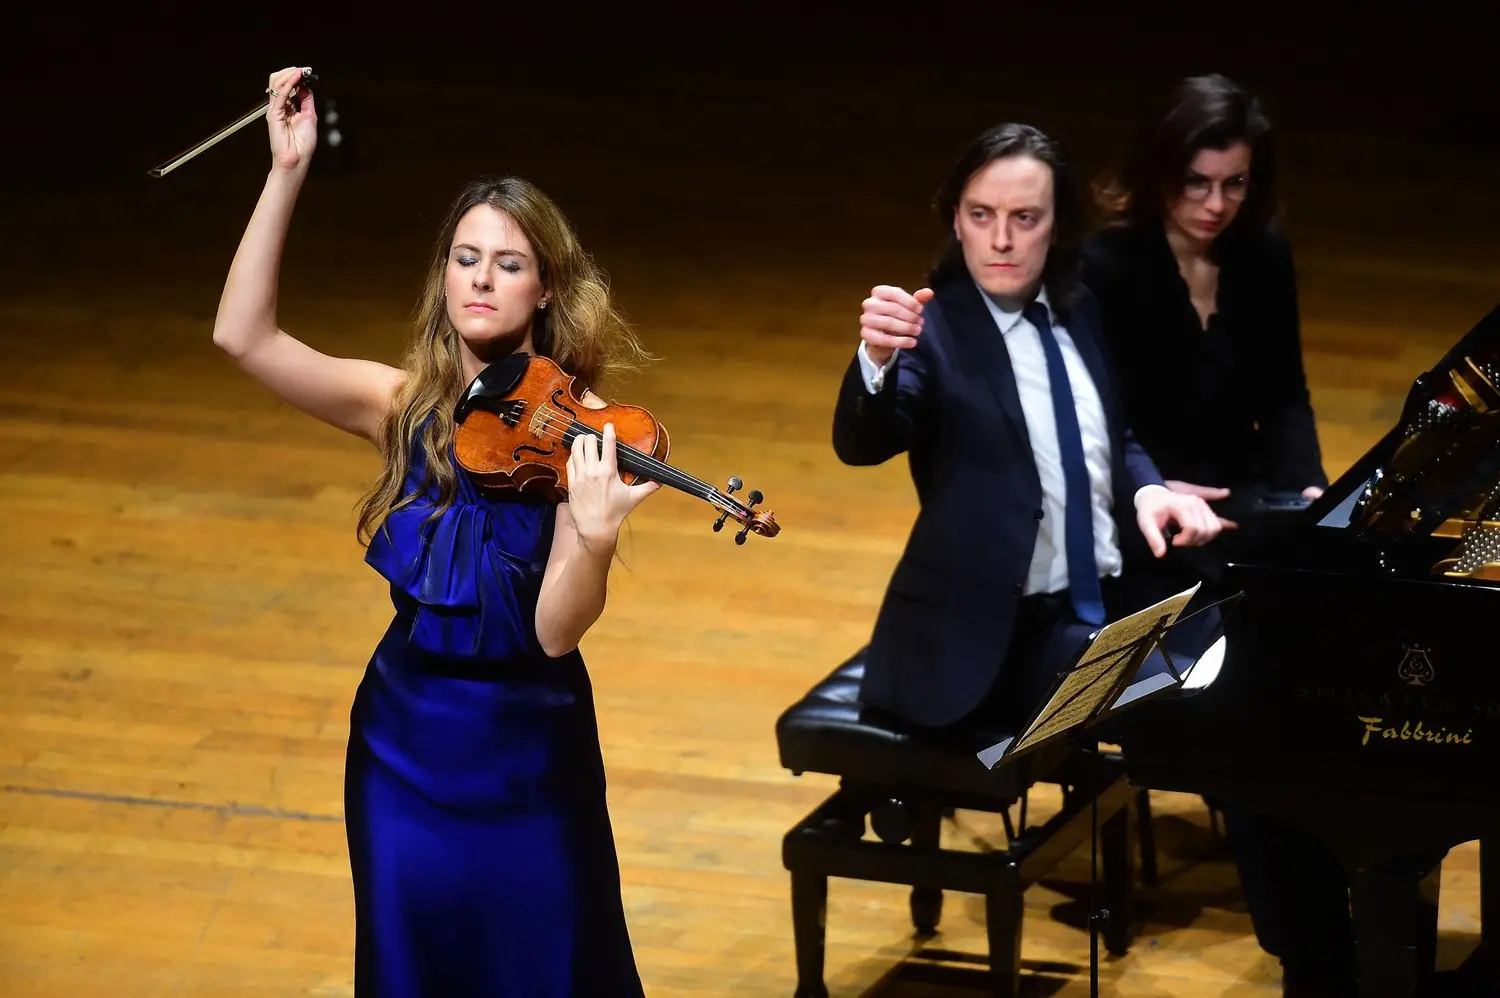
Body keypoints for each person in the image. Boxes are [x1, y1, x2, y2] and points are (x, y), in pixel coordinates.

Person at [211, 66, 657, 997]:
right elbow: (243, 337)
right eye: (465, 257)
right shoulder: (400, 405)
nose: (482, 279)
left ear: (543, 290)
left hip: (529, 757)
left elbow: (554, 632)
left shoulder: (588, 430)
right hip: (401, 747)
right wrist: (285, 171)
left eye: (509, 263)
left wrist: (597, 536)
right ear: (443, 274)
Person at [1081, 73, 1347, 997]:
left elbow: (1288, 394)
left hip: (1246, 517)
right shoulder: (1109, 267)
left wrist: (1308, 488)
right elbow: (1101, 427)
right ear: (1161, 172)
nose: (1215, 204)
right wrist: (1158, 488)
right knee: (1248, 698)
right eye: (1197, 182)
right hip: (1148, 534)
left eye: (1234, 184)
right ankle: (1310, 951)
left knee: (1324, 664)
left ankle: (1333, 906)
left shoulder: (1262, 255)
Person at [831, 120, 1224, 738]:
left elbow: (1108, 438)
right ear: (955, 219)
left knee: (1238, 639)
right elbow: (863, 443)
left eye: (1025, 218)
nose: (1001, 240)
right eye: (981, 215)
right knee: (1188, 696)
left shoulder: (1079, 308)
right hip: (990, 645)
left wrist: (1150, 490)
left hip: (1096, 607)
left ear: (1058, 224)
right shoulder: (930, 336)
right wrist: (875, 362)